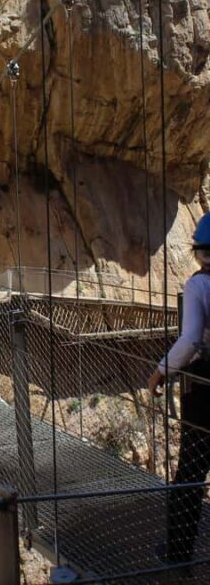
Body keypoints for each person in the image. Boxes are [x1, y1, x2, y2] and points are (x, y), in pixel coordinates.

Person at [149, 212, 210, 564]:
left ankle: (179, 553)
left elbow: (189, 340)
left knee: (190, 470)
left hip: (204, 387)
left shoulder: (200, 285)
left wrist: (160, 372)